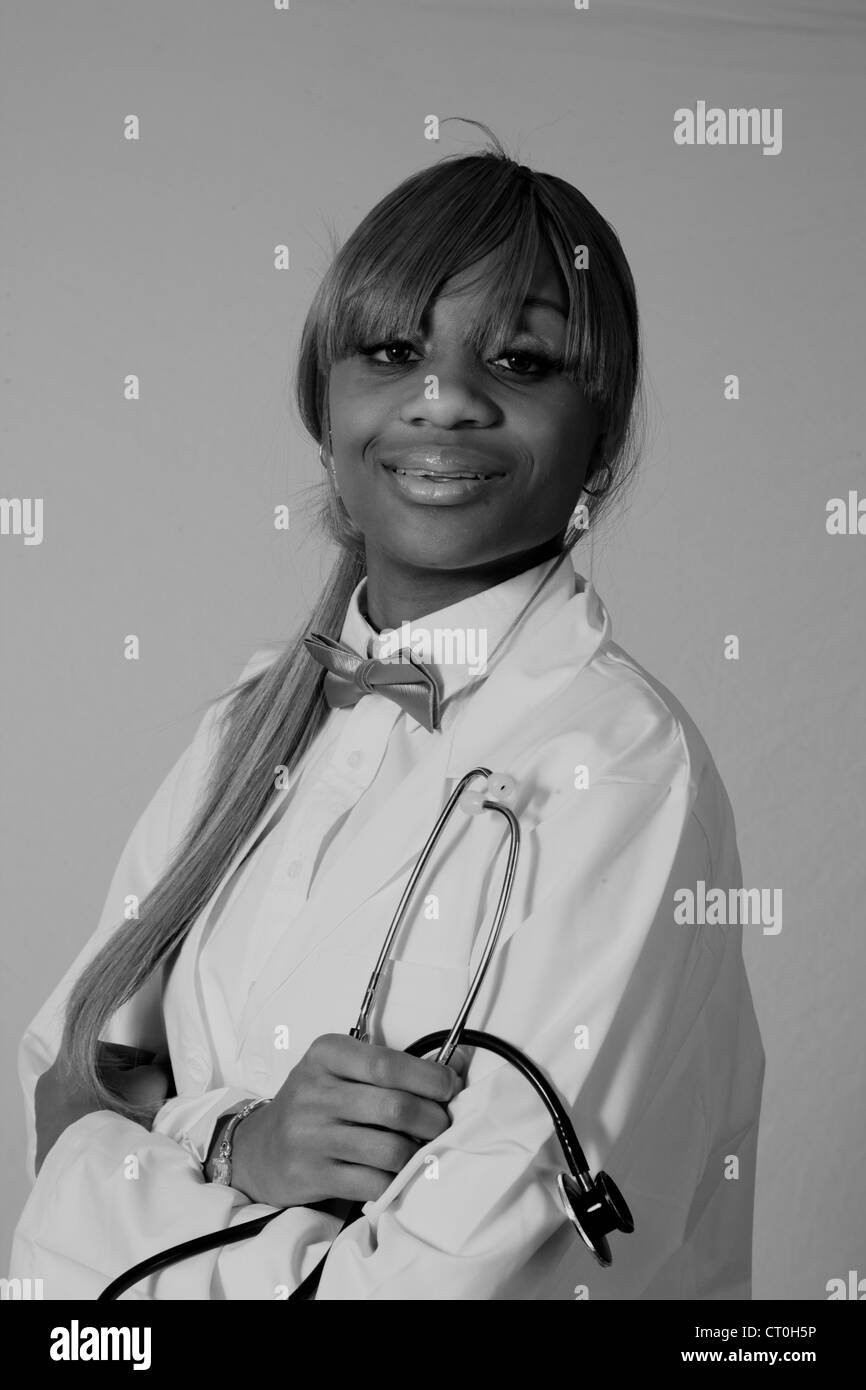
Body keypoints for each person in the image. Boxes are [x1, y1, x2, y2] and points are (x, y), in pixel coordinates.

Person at [11, 129, 765, 1300]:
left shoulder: (615, 770)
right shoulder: (242, 731)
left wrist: (124, 1206)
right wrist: (235, 1144)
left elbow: (441, 1285)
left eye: (520, 361)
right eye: (391, 348)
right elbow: (65, 1098)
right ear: (325, 405)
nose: (445, 397)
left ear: (601, 436)